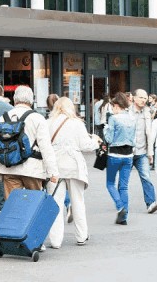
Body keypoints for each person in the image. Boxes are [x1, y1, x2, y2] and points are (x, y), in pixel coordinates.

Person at [46, 98, 102, 248]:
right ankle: (81, 236)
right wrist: (95, 141)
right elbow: (85, 145)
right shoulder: (76, 123)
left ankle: (56, 240)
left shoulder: (48, 123)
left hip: (55, 168)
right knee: (78, 202)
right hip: (73, 166)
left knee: (55, 204)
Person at [0, 85, 59, 197]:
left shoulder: (3, 118)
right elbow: (46, 148)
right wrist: (53, 172)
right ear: (31, 100)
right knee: (33, 206)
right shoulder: (37, 118)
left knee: (13, 207)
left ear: (14, 99)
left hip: (9, 169)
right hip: (32, 170)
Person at [102, 92, 136, 225]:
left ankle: (120, 207)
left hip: (114, 155)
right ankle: (124, 217)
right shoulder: (132, 118)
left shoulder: (114, 119)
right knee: (124, 187)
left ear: (116, 105)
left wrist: (105, 129)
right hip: (128, 155)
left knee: (110, 183)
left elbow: (109, 139)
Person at [129, 89, 157, 214]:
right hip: (128, 152)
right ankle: (121, 203)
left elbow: (149, 134)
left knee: (146, 177)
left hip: (142, 152)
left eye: (145, 98)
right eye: (141, 97)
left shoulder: (147, 112)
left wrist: (150, 152)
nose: (143, 100)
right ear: (134, 98)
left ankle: (151, 203)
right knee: (123, 181)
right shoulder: (127, 111)